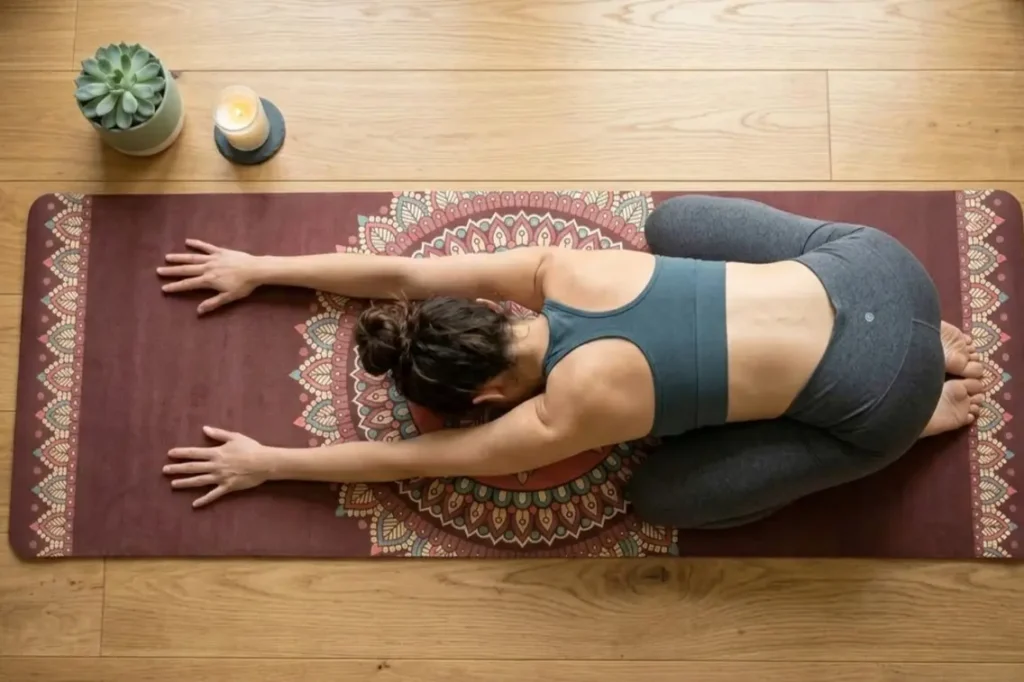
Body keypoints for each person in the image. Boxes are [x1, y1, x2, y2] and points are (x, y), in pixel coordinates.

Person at [158, 195, 983, 526]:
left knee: (661, 499)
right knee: (670, 225)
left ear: (484, 396)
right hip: (884, 266)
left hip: (879, 401)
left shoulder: (566, 413)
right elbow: (404, 275)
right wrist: (259, 266)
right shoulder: (556, 270)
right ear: (487, 312)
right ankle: (916, 334)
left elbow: (417, 458)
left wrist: (269, 462)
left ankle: (910, 415)